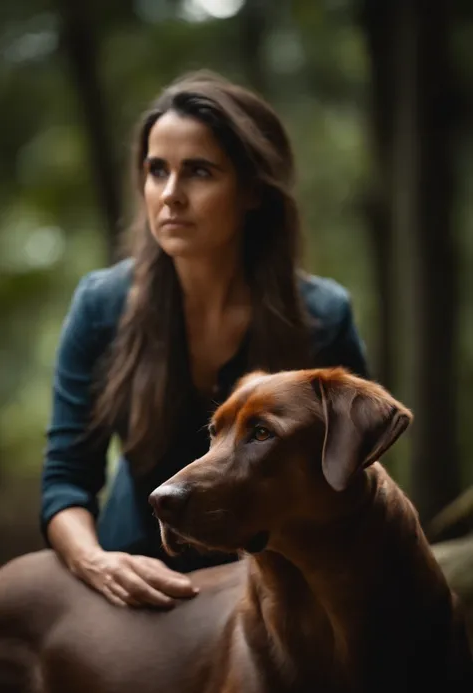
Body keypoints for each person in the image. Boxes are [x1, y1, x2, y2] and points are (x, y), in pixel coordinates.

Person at [41, 70, 369, 610]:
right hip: (138, 581)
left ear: (253, 191)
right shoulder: (102, 306)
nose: (170, 195)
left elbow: (356, 478)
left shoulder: (322, 316)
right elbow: (66, 478)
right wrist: (94, 561)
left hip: (278, 591)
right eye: (155, 170)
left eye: (198, 171)